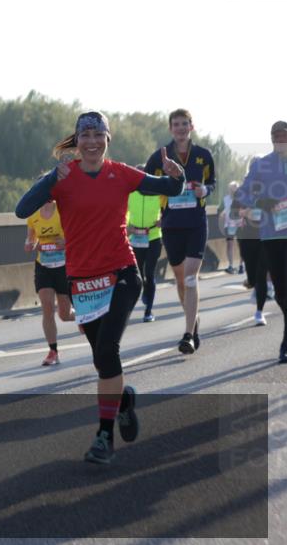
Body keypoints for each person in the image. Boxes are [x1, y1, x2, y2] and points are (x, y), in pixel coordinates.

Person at [16, 111, 185, 464]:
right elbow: (22, 210)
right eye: (85, 135)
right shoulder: (62, 178)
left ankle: (103, 436)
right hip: (81, 281)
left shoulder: (120, 173)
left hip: (122, 273)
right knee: (101, 359)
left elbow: (169, 188)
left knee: (108, 350)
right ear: (76, 141)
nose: (91, 142)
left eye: (98, 135)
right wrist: (50, 179)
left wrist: (177, 175)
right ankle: (122, 401)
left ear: (107, 139)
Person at [144, 109, 216, 355]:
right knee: (180, 280)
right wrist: (166, 187)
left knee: (189, 276)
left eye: (185, 124)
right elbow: (147, 184)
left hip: (196, 223)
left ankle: (187, 335)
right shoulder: (160, 157)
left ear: (191, 127)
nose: (181, 128)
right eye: (176, 124)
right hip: (172, 225)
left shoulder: (203, 155)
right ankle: (193, 325)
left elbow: (212, 182)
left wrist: (204, 191)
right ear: (170, 128)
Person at [232, 121, 287, 364]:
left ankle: (286, 342)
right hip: (272, 234)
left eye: (283, 135)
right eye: (275, 136)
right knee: (282, 293)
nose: (279, 139)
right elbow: (243, 194)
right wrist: (263, 203)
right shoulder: (262, 165)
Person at [24, 199, 75, 366]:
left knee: (64, 315)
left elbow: (78, 234)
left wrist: (67, 242)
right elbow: (30, 238)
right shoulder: (33, 216)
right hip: (43, 266)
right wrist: (30, 244)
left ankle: (81, 318)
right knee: (47, 307)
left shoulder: (65, 211)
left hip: (63, 267)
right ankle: (53, 351)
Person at [126, 164, 164, 322]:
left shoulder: (157, 192)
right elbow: (123, 212)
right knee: (139, 276)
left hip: (153, 236)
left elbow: (168, 209)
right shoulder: (130, 193)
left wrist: (163, 220)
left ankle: (148, 311)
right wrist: (128, 226)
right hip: (136, 238)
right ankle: (145, 290)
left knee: (149, 273)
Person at [232, 166, 267, 326]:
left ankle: (259, 312)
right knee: (253, 277)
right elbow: (232, 213)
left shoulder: (270, 188)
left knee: (261, 275)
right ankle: (251, 282)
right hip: (246, 237)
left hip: (265, 236)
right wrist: (242, 213)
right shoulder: (241, 192)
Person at [220, 181, 244, 274]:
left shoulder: (242, 198)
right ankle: (230, 265)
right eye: (231, 188)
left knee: (241, 244)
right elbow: (221, 209)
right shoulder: (225, 199)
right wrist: (222, 213)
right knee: (230, 244)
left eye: (235, 188)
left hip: (240, 223)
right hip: (229, 224)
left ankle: (241, 265)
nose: (233, 190)